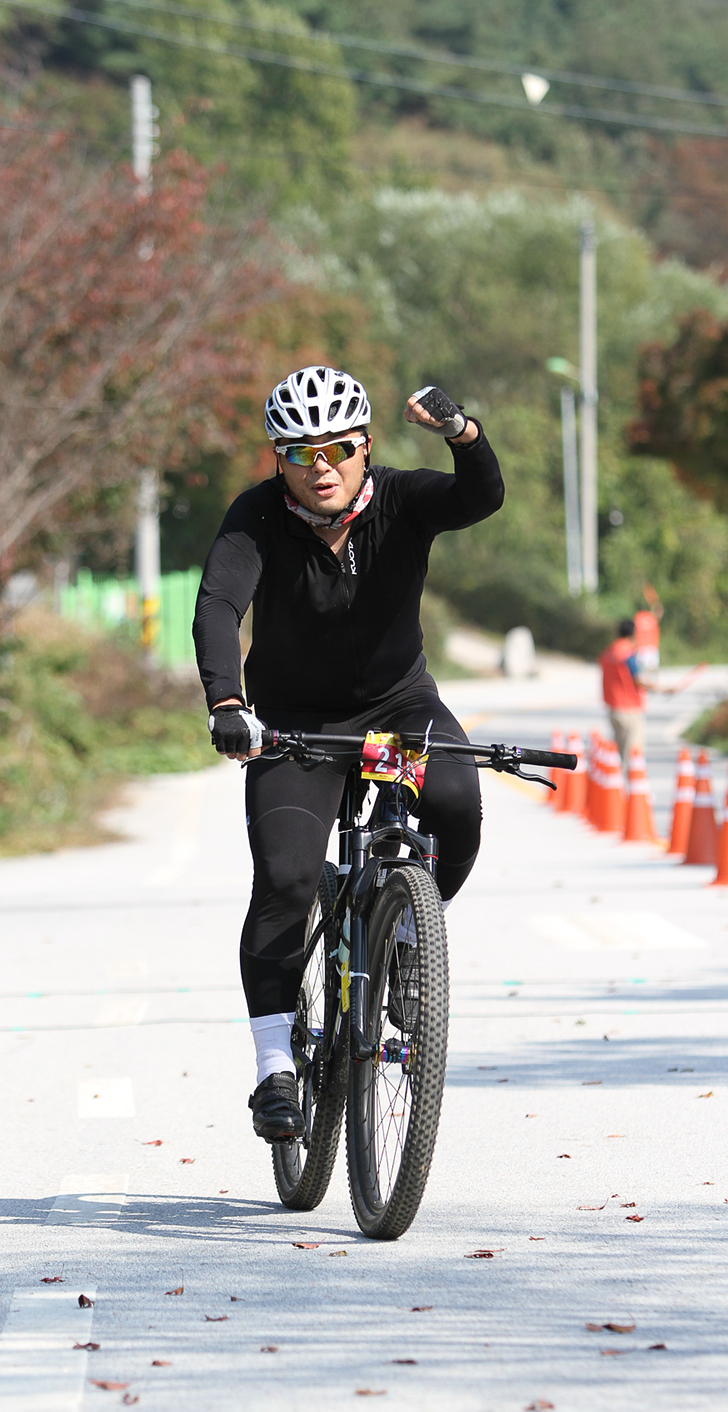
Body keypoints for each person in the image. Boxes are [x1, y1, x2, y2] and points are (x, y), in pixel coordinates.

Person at [192, 366, 505, 1141]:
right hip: (296, 729)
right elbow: (219, 605)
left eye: (337, 449)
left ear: (365, 447)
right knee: (287, 879)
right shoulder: (257, 517)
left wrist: (461, 432)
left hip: (395, 715)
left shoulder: (402, 499)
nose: (321, 467)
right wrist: (228, 703)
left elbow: (480, 497)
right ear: (280, 460)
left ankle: (407, 933)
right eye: (301, 454)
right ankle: (275, 1066)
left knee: (457, 804)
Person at [599, 618, 645, 765]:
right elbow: (637, 679)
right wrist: (662, 688)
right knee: (632, 756)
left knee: (619, 755)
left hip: (613, 709)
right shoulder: (627, 653)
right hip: (629, 710)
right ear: (633, 634)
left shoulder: (609, 652)